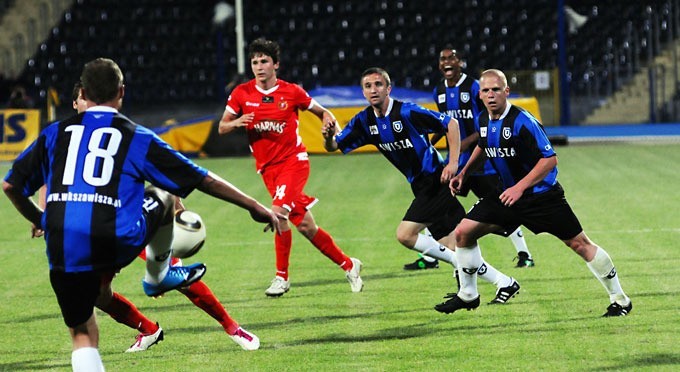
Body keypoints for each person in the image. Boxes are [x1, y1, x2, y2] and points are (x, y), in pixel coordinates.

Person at [3, 58, 282, 371]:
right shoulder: (133, 136)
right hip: (117, 232)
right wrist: (255, 206)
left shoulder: (55, 134)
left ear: (83, 93)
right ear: (121, 91)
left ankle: (226, 323)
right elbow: (201, 178)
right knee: (101, 294)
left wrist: (44, 219)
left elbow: (11, 185)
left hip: (67, 243)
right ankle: (154, 294)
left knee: (81, 333)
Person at [36, 82, 261, 352]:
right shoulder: (63, 138)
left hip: (132, 219)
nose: (91, 105)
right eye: (85, 99)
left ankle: (232, 327)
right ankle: (149, 330)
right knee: (97, 296)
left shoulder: (121, 133)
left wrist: (176, 206)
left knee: (177, 275)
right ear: (75, 104)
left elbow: (158, 171)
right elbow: (46, 177)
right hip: (94, 231)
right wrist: (42, 214)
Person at [437, 69, 632, 317]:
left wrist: (520, 187)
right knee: (463, 233)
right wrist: (464, 172)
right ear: (480, 94)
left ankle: (620, 299)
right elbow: (484, 146)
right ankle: (468, 294)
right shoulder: (482, 119)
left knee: (580, 244)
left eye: (496, 89)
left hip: (541, 196)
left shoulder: (522, 121)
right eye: (485, 90)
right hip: (506, 195)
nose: (490, 95)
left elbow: (549, 159)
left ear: (506, 91)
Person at [322, 67, 520, 304]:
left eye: (378, 85)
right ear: (363, 92)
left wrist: (453, 163)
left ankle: (472, 263)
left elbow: (452, 124)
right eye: (368, 86)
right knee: (453, 245)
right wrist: (328, 137)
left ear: (388, 88)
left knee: (405, 235)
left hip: (437, 180)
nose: (373, 90)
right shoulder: (365, 121)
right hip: (420, 185)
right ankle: (504, 282)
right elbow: (335, 146)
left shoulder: (407, 112)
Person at [217, 38, 363, 296]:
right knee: (306, 226)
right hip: (268, 170)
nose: (259, 66)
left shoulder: (291, 92)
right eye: (255, 62)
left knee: (278, 215)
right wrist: (238, 122)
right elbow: (222, 127)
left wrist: (332, 130)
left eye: (264, 61)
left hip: (294, 163)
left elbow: (323, 112)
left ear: (276, 65)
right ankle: (349, 265)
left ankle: (281, 278)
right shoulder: (242, 93)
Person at [404, 46, 535, 271]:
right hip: (456, 163)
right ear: (439, 65)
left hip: (482, 164)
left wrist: (465, 143)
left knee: (502, 208)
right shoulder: (439, 91)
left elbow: (486, 122)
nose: (447, 62)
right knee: (434, 201)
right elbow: (444, 122)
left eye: (451, 58)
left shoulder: (475, 87)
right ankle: (430, 257)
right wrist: (430, 141)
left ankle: (525, 254)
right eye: (443, 59)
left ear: (460, 63)